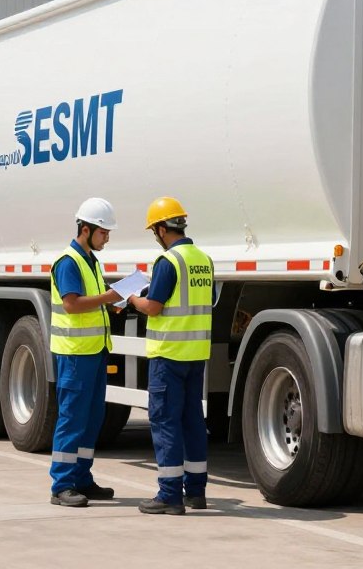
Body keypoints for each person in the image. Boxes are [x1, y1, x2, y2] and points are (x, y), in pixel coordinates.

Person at [129, 196, 214, 515]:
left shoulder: (168, 261)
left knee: (165, 422)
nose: (155, 235)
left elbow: (154, 307)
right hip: (195, 355)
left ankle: (169, 496)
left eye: (155, 230)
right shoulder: (203, 259)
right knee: (192, 421)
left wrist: (134, 298)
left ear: (163, 229)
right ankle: (196, 492)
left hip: (168, 356)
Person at [48, 197, 122, 507]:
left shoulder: (91, 261)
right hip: (75, 355)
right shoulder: (69, 262)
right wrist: (108, 297)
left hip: (93, 352)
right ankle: (62, 485)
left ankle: (82, 478)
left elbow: (92, 302)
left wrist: (118, 302)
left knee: (93, 418)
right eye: (104, 232)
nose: (107, 238)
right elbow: (72, 304)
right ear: (87, 229)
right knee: (72, 418)